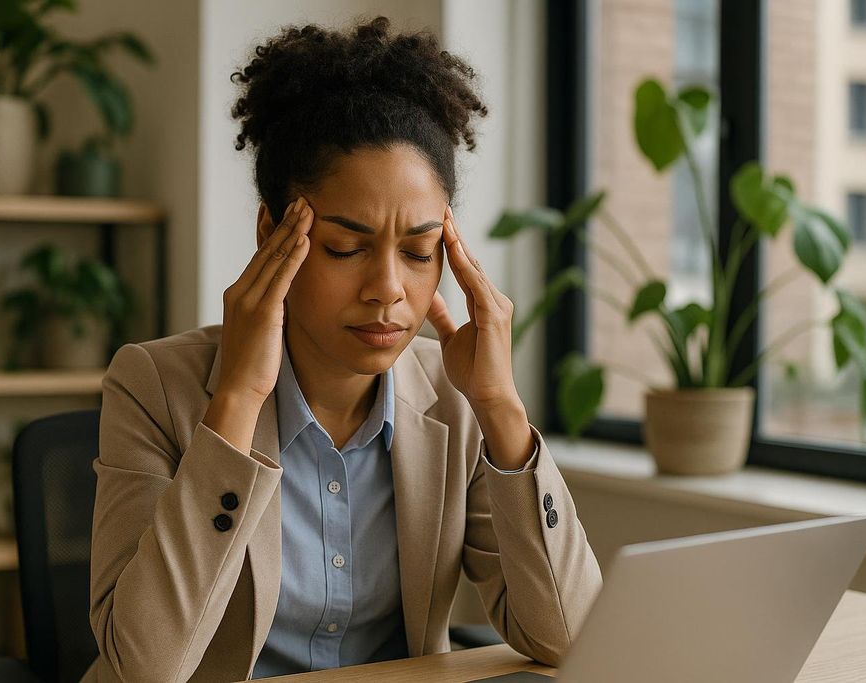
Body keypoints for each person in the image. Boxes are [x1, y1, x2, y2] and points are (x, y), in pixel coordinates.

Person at [80, 15, 602, 683]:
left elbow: (570, 637)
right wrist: (235, 401)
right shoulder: (154, 385)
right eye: (345, 247)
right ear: (274, 233)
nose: (388, 289)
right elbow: (142, 669)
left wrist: (501, 409)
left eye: (419, 252)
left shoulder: (456, 401)